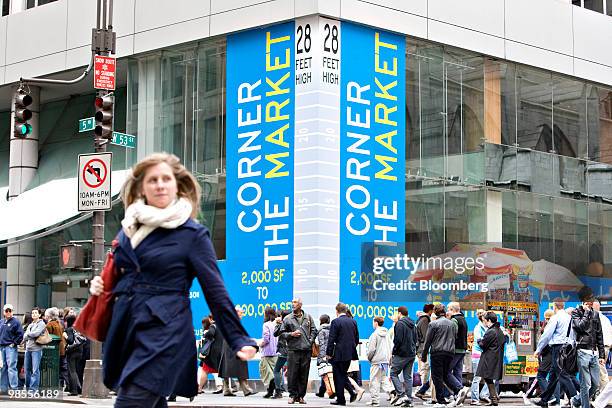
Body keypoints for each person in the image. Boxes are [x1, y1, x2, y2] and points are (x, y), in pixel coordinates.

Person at [88, 153, 257, 407]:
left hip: (163, 332)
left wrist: (238, 337)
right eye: (152, 179)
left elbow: (215, 291)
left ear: (177, 185)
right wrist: (102, 284)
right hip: (127, 328)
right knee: (148, 399)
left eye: (166, 178)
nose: (159, 184)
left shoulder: (193, 234)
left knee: (132, 400)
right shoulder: (129, 227)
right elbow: (120, 271)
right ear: (142, 188)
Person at [421, 304, 469, 406]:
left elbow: (428, 341)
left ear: (435, 312)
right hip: (450, 352)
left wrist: (424, 355)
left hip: (437, 352)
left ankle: (441, 400)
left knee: (436, 376)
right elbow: (455, 336)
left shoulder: (433, 324)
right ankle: (459, 389)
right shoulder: (451, 323)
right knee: (445, 374)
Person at [533, 300, 579, 408]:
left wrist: (539, 349)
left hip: (557, 348)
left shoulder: (556, 317)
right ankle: (544, 400)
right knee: (553, 376)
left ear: (555, 306)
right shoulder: (569, 318)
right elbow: (574, 334)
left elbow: (547, 335)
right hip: (568, 348)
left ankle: (575, 399)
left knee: (562, 375)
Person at [278, 297, 317, 404]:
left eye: (295, 302)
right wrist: (291, 334)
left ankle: (301, 396)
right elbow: (281, 334)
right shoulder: (287, 318)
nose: (293, 304)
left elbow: (314, 330)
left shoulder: (308, 317)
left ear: (300, 305)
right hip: (293, 350)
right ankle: (292, 395)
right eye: (292, 302)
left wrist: (310, 340)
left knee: (304, 374)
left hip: (306, 350)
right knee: (292, 373)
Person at [570, 298, 605, 408]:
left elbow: (599, 334)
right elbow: (580, 327)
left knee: (595, 384)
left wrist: (602, 355)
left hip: (594, 353)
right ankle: (585, 406)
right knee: (585, 385)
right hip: (582, 351)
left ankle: (576, 400)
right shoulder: (576, 312)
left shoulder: (595, 314)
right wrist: (586, 312)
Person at [218, 306, 257, 397]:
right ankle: (242, 390)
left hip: (231, 345)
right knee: (236, 366)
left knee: (231, 367)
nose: (242, 314)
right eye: (241, 313)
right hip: (232, 346)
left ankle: (230, 389)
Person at [326, 302, 359, 406]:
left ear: (337, 311)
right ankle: (351, 392)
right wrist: (351, 348)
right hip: (349, 353)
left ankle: (341, 399)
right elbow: (356, 338)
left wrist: (328, 353)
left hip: (338, 353)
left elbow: (331, 339)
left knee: (337, 376)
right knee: (343, 374)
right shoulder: (353, 321)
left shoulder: (335, 322)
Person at [474, 312, 506, 406]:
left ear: (489, 320)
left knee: (488, 378)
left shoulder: (491, 331)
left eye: (485, 321)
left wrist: (479, 340)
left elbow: (483, 345)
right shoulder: (499, 331)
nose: (485, 323)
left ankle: (494, 399)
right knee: (489, 379)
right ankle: (494, 398)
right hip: (496, 358)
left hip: (489, 358)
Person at [524, 309, 554, 404]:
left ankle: (550, 396)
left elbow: (544, 340)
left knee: (541, 376)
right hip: (550, 353)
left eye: (547, 318)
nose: (546, 320)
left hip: (547, 353)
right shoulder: (552, 324)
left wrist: (538, 350)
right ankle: (553, 398)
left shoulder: (549, 326)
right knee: (554, 377)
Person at [390, 306, 417, 407]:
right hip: (411, 353)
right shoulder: (413, 324)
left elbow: (398, 340)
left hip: (401, 354)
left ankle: (401, 395)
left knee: (393, 373)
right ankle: (409, 399)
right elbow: (416, 339)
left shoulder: (399, 324)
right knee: (408, 377)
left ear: (399, 313)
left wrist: (395, 351)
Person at [367, 316, 395, 407]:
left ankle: (375, 401)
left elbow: (371, 349)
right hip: (385, 361)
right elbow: (391, 347)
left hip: (376, 361)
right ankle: (391, 391)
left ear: (376, 323)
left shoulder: (374, 334)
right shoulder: (387, 334)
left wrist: (369, 358)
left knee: (374, 380)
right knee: (383, 379)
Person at [0, 304, 24, 393]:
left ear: (12, 312)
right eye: (7, 311)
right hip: (2, 347)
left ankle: (14, 388)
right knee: (3, 368)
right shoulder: (1, 322)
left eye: (10, 311)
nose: (8, 312)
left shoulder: (16, 322)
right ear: (4, 312)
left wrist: (14, 343)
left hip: (10, 348)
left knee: (11, 367)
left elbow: (20, 334)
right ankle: (3, 388)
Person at [470, 309, 491, 405]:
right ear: (483, 318)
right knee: (477, 377)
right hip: (478, 354)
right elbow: (480, 342)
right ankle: (474, 399)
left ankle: (484, 394)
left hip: (485, 354)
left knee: (490, 376)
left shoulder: (487, 327)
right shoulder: (478, 328)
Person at [45, 307, 69, 389]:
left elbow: (48, 337)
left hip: (54, 350)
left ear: (49, 316)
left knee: (55, 368)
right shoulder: (59, 323)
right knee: (62, 368)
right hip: (62, 348)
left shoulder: (49, 325)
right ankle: (66, 385)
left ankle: (55, 385)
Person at [22, 307, 46, 391]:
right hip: (28, 349)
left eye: (36, 313)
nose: (34, 314)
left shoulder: (42, 323)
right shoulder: (31, 324)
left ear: (39, 314)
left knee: (35, 370)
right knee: (27, 369)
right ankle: (28, 388)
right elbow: (24, 335)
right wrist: (28, 335)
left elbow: (36, 333)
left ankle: (33, 389)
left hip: (37, 349)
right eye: (33, 313)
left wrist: (28, 335)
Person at [199, 316, 223, 394]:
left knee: (205, 370)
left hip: (212, 352)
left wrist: (205, 334)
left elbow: (211, 334)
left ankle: (199, 388)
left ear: (211, 319)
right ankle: (225, 387)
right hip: (220, 351)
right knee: (218, 369)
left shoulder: (213, 326)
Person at [415, 304, 435, 401]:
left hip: (421, 348)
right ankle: (421, 389)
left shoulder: (421, 319)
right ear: (430, 310)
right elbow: (426, 336)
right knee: (424, 369)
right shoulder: (425, 320)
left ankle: (422, 388)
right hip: (423, 349)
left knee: (423, 369)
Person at [448, 302, 468, 393]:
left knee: (446, 372)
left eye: (448, 310)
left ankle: (460, 389)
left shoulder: (454, 320)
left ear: (452, 310)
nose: (447, 312)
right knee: (458, 372)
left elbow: (452, 335)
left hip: (455, 349)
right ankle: (458, 395)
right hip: (463, 349)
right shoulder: (463, 319)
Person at [64, 314, 85, 395]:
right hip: (80, 352)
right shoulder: (79, 328)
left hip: (72, 352)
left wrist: (65, 336)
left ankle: (74, 391)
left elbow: (70, 340)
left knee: (72, 371)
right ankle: (79, 389)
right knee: (77, 371)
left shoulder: (69, 329)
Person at [260, 307, 279, 398]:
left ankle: (270, 390)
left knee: (267, 372)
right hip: (276, 351)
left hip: (267, 352)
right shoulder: (277, 323)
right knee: (275, 372)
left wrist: (260, 344)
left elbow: (266, 339)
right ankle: (274, 391)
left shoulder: (266, 325)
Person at [593, 300, 612, 391]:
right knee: (599, 371)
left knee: (601, 372)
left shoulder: (595, 318)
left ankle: (605, 396)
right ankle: (599, 394)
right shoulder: (606, 319)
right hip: (606, 347)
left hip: (600, 348)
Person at [273, 309, 291, 399]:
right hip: (293, 350)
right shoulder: (293, 324)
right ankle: (294, 392)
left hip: (283, 351)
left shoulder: (281, 324)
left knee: (276, 370)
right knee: (292, 371)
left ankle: (278, 391)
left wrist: (278, 324)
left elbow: (275, 334)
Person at [316, 314, 333, 398]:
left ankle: (329, 391)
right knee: (328, 372)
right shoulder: (332, 329)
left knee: (324, 372)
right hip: (331, 353)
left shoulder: (321, 331)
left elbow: (321, 344)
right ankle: (322, 390)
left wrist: (322, 356)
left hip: (324, 353)